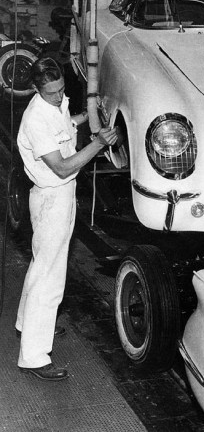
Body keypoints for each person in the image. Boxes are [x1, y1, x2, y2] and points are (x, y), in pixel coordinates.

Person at [15, 57, 118, 381]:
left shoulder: (53, 105)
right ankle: (33, 356)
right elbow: (61, 166)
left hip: (60, 196)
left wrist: (83, 117)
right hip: (50, 199)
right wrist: (98, 144)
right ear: (35, 89)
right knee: (50, 276)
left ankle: (26, 325)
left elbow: (63, 124)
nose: (58, 97)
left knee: (41, 265)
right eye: (51, 93)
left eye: (61, 90)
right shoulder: (35, 119)